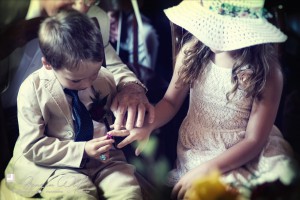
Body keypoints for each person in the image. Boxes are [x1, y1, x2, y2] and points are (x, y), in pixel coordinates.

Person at [109, 0, 297, 199]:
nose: (215, 35)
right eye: (212, 25)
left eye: (224, 29)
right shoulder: (191, 52)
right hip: (200, 148)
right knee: (207, 192)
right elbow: (170, 102)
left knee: (280, 182)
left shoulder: (267, 71)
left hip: (249, 150)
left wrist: (208, 169)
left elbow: (254, 140)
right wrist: (149, 125)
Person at [4, 9, 142, 199]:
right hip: (54, 166)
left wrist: (122, 125)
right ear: (48, 64)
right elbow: (32, 146)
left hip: (103, 159)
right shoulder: (32, 90)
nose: (87, 84)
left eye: (93, 74)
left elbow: (110, 122)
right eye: (76, 81)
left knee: (127, 190)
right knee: (76, 193)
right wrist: (82, 150)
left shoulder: (105, 79)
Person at [0, 0, 154, 132]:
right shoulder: (5, 14)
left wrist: (131, 88)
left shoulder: (96, 17)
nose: (82, 10)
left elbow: (110, 62)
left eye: (90, 2)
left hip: (66, 126)